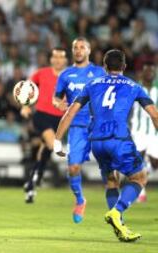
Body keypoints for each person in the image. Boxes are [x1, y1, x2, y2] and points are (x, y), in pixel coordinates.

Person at [54, 49, 158, 242]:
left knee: (112, 181)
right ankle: (117, 212)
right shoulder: (133, 86)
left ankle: (120, 225)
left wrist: (57, 140)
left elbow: (70, 113)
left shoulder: (92, 84)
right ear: (124, 67)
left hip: (97, 142)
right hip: (118, 140)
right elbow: (154, 114)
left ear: (104, 66)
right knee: (140, 178)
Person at [53, 37, 106, 223]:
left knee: (111, 168)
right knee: (74, 167)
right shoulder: (66, 75)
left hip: (99, 126)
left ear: (89, 50)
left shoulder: (99, 72)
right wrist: (58, 104)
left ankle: (118, 208)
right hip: (76, 126)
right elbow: (56, 98)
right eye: (75, 47)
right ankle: (80, 200)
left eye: (82, 47)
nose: (78, 50)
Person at [20, 47, 68, 203]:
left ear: (65, 60)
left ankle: (32, 183)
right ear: (51, 59)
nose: (58, 60)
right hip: (42, 116)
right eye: (56, 57)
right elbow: (28, 88)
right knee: (52, 143)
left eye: (61, 57)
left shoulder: (71, 76)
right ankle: (37, 178)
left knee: (45, 150)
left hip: (60, 120)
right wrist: (26, 105)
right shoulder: (42, 73)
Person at [130, 62, 158, 202]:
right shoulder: (135, 88)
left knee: (155, 163)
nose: (150, 74)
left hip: (154, 132)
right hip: (138, 131)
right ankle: (140, 191)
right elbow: (128, 108)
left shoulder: (157, 89)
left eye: (152, 71)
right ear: (143, 73)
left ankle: (141, 176)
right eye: (147, 71)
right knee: (138, 160)